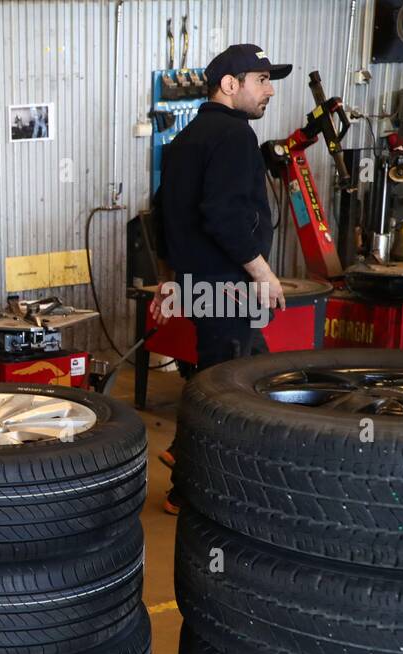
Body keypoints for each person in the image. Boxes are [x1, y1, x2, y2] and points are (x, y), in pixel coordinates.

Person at [153, 43, 292, 513]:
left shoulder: (186, 139)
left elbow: (162, 214)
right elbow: (224, 216)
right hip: (229, 289)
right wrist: (265, 273)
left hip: (203, 286)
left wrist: (169, 279)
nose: (270, 90)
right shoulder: (234, 137)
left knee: (251, 373)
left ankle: (185, 446)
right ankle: (187, 492)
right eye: (262, 80)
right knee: (225, 393)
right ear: (230, 86)